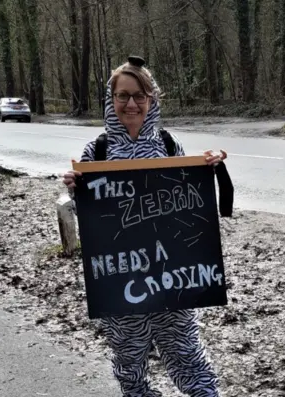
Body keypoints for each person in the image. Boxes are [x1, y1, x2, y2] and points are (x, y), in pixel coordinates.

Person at [63, 55, 226, 396]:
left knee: (188, 355)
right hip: (122, 281)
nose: (131, 103)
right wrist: (76, 191)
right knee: (130, 363)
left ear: (151, 99)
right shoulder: (98, 151)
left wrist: (205, 170)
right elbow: (90, 220)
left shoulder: (168, 145)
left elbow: (192, 206)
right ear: (112, 100)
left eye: (139, 95)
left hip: (172, 277)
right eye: (122, 95)